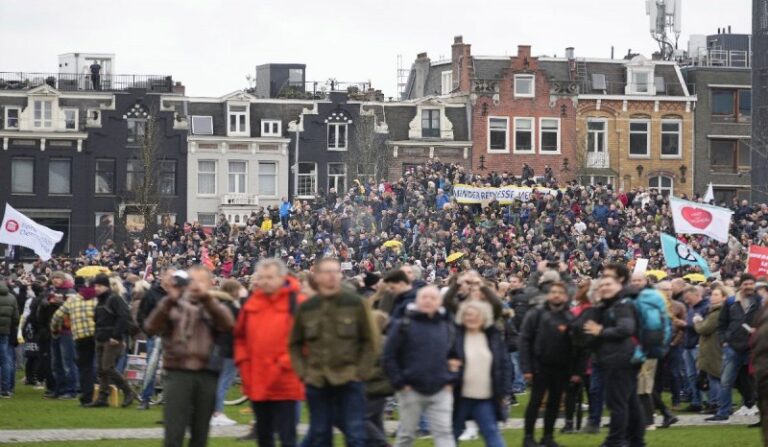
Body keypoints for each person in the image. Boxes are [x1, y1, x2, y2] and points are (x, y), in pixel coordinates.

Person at [289, 257, 378, 447]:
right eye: (326, 272)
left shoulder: (355, 304)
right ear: (317, 277)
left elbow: (370, 340)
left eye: (335, 271)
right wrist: (303, 372)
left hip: (349, 379)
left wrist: (361, 372)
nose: (331, 276)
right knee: (320, 434)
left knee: (355, 434)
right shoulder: (307, 307)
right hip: (317, 380)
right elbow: (295, 344)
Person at [144, 267, 235, 447]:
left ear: (210, 284)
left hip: (207, 373)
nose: (195, 285)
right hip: (177, 372)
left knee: (200, 435)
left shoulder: (215, 305)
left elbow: (228, 325)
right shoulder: (172, 304)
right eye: (191, 280)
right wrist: (170, 299)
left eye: (201, 281)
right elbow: (150, 327)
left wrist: (207, 299)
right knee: (173, 433)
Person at [235, 259, 305, 445]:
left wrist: (283, 364)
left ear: (282, 277)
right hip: (257, 380)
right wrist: (244, 363)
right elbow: (240, 338)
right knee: (264, 436)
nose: (266, 281)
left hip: (285, 382)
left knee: (287, 436)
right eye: (262, 277)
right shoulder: (252, 303)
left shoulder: (297, 302)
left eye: (270, 277)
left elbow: (305, 341)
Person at [383, 285, 457, 447]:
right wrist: (400, 383)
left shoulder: (447, 325)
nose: (428, 301)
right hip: (410, 389)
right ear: (417, 300)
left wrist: (451, 380)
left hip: (441, 389)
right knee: (406, 435)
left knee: (444, 433)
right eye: (424, 297)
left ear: (440, 302)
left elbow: (456, 355)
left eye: (433, 298)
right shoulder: (403, 324)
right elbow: (389, 356)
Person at [584, 264, 645, 447]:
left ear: (620, 283)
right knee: (631, 402)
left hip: (619, 360)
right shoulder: (612, 304)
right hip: (620, 359)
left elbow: (626, 328)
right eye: (602, 284)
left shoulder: (622, 304)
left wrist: (601, 331)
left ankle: (615, 440)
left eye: (608, 284)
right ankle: (636, 441)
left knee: (617, 403)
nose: (604, 287)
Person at [520, 281, 579, 447]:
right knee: (535, 401)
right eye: (553, 291)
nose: (556, 295)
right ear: (548, 294)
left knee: (554, 403)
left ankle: (548, 436)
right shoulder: (536, 314)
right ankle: (528, 437)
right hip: (539, 366)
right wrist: (527, 367)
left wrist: (576, 370)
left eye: (560, 292)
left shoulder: (570, 317)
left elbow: (577, 345)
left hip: (561, 368)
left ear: (566, 296)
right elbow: (525, 340)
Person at [453, 300, 511, 447]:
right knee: (451, 435)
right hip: (459, 397)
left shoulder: (493, 336)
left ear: (484, 317)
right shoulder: (454, 337)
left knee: (491, 432)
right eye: (467, 315)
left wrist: (503, 393)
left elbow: (503, 365)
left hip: (484, 398)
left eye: (475, 315)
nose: (471, 318)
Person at [708, 274, 762, 422]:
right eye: (746, 284)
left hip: (754, 347)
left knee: (759, 381)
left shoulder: (761, 302)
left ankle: (761, 414)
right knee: (726, 381)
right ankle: (723, 412)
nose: (749, 286)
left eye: (751, 283)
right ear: (741, 285)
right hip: (732, 348)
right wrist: (724, 340)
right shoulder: (731, 302)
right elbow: (722, 323)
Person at [85, 274, 136, 408]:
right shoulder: (100, 301)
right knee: (101, 370)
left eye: (99, 286)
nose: (96, 288)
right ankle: (102, 398)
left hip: (112, 339)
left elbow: (124, 316)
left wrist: (116, 336)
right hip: (101, 338)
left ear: (106, 286)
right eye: (95, 286)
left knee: (108, 368)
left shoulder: (114, 299)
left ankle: (128, 391)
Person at [50, 283, 97, 406]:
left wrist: (55, 329)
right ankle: (101, 393)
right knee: (96, 365)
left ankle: (86, 395)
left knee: (83, 366)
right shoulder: (97, 300)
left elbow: (57, 316)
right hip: (97, 335)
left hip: (80, 336)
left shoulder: (73, 300)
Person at [136, 268, 175, 410]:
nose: (172, 279)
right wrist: (147, 330)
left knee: (173, 369)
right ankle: (145, 398)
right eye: (170, 276)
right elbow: (142, 313)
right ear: (163, 277)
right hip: (156, 336)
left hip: (173, 337)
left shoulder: (178, 294)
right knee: (150, 368)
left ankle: (170, 399)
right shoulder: (152, 293)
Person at [210, 278, 243, 427]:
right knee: (224, 382)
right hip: (229, 348)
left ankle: (214, 412)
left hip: (219, 348)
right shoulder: (231, 307)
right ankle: (218, 412)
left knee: (219, 381)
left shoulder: (218, 305)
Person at [693, 284, 728, 416]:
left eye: (716, 295)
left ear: (723, 297)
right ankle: (716, 403)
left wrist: (697, 322)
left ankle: (717, 403)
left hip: (713, 348)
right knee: (713, 377)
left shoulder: (717, 313)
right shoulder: (713, 311)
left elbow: (704, 329)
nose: (712, 297)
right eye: (712, 294)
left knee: (715, 377)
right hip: (711, 347)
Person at [365, 310, 395, 447]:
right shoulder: (384, 341)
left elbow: (381, 368)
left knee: (363, 418)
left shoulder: (379, 343)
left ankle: (382, 444)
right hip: (377, 388)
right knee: (376, 421)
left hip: (375, 388)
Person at [681, 286, 709, 413]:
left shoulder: (705, 307)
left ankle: (709, 402)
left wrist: (685, 324)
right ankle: (696, 402)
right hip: (688, 345)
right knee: (691, 376)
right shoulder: (692, 307)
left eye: (688, 298)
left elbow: (703, 326)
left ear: (696, 295)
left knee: (701, 376)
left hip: (698, 345)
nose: (686, 300)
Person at [0, 280, 19, 398]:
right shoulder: (11, 297)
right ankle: (6, 389)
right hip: (5, 332)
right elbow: (16, 317)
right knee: (6, 360)